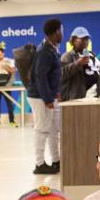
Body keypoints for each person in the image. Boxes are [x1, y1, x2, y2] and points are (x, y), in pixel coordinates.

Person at [29, 18, 64, 175]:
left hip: (47, 95)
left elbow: (50, 75)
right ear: (57, 32)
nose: (62, 33)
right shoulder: (45, 51)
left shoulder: (50, 49)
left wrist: (54, 93)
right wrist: (48, 99)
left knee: (51, 130)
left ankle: (56, 160)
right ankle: (39, 164)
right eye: (61, 30)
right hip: (40, 97)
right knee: (42, 129)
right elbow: (40, 76)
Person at [60, 26, 99, 102]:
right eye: (82, 38)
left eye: (87, 39)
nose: (85, 41)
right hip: (77, 100)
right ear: (73, 40)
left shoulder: (92, 55)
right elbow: (61, 74)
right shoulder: (67, 56)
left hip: (95, 97)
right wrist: (78, 63)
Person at [0, 47, 17, 127]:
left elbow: (12, 71)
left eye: (0, 54)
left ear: (3, 53)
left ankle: (12, 121)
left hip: (6, 84)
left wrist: (4, 65)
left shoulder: (9, 60)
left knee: (9, 103)